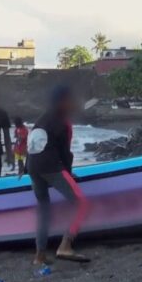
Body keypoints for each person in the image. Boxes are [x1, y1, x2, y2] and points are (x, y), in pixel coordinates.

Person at [26, 85, 90, 264]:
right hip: (51, 167)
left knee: (44, 209)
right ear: (63, 102)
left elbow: (33, 144)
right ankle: (66, 245)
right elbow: (66, 154)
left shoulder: (41, 119)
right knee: (81, 203)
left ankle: (39, 255)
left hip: (32, 166)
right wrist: (68, 175)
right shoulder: (64, 122)